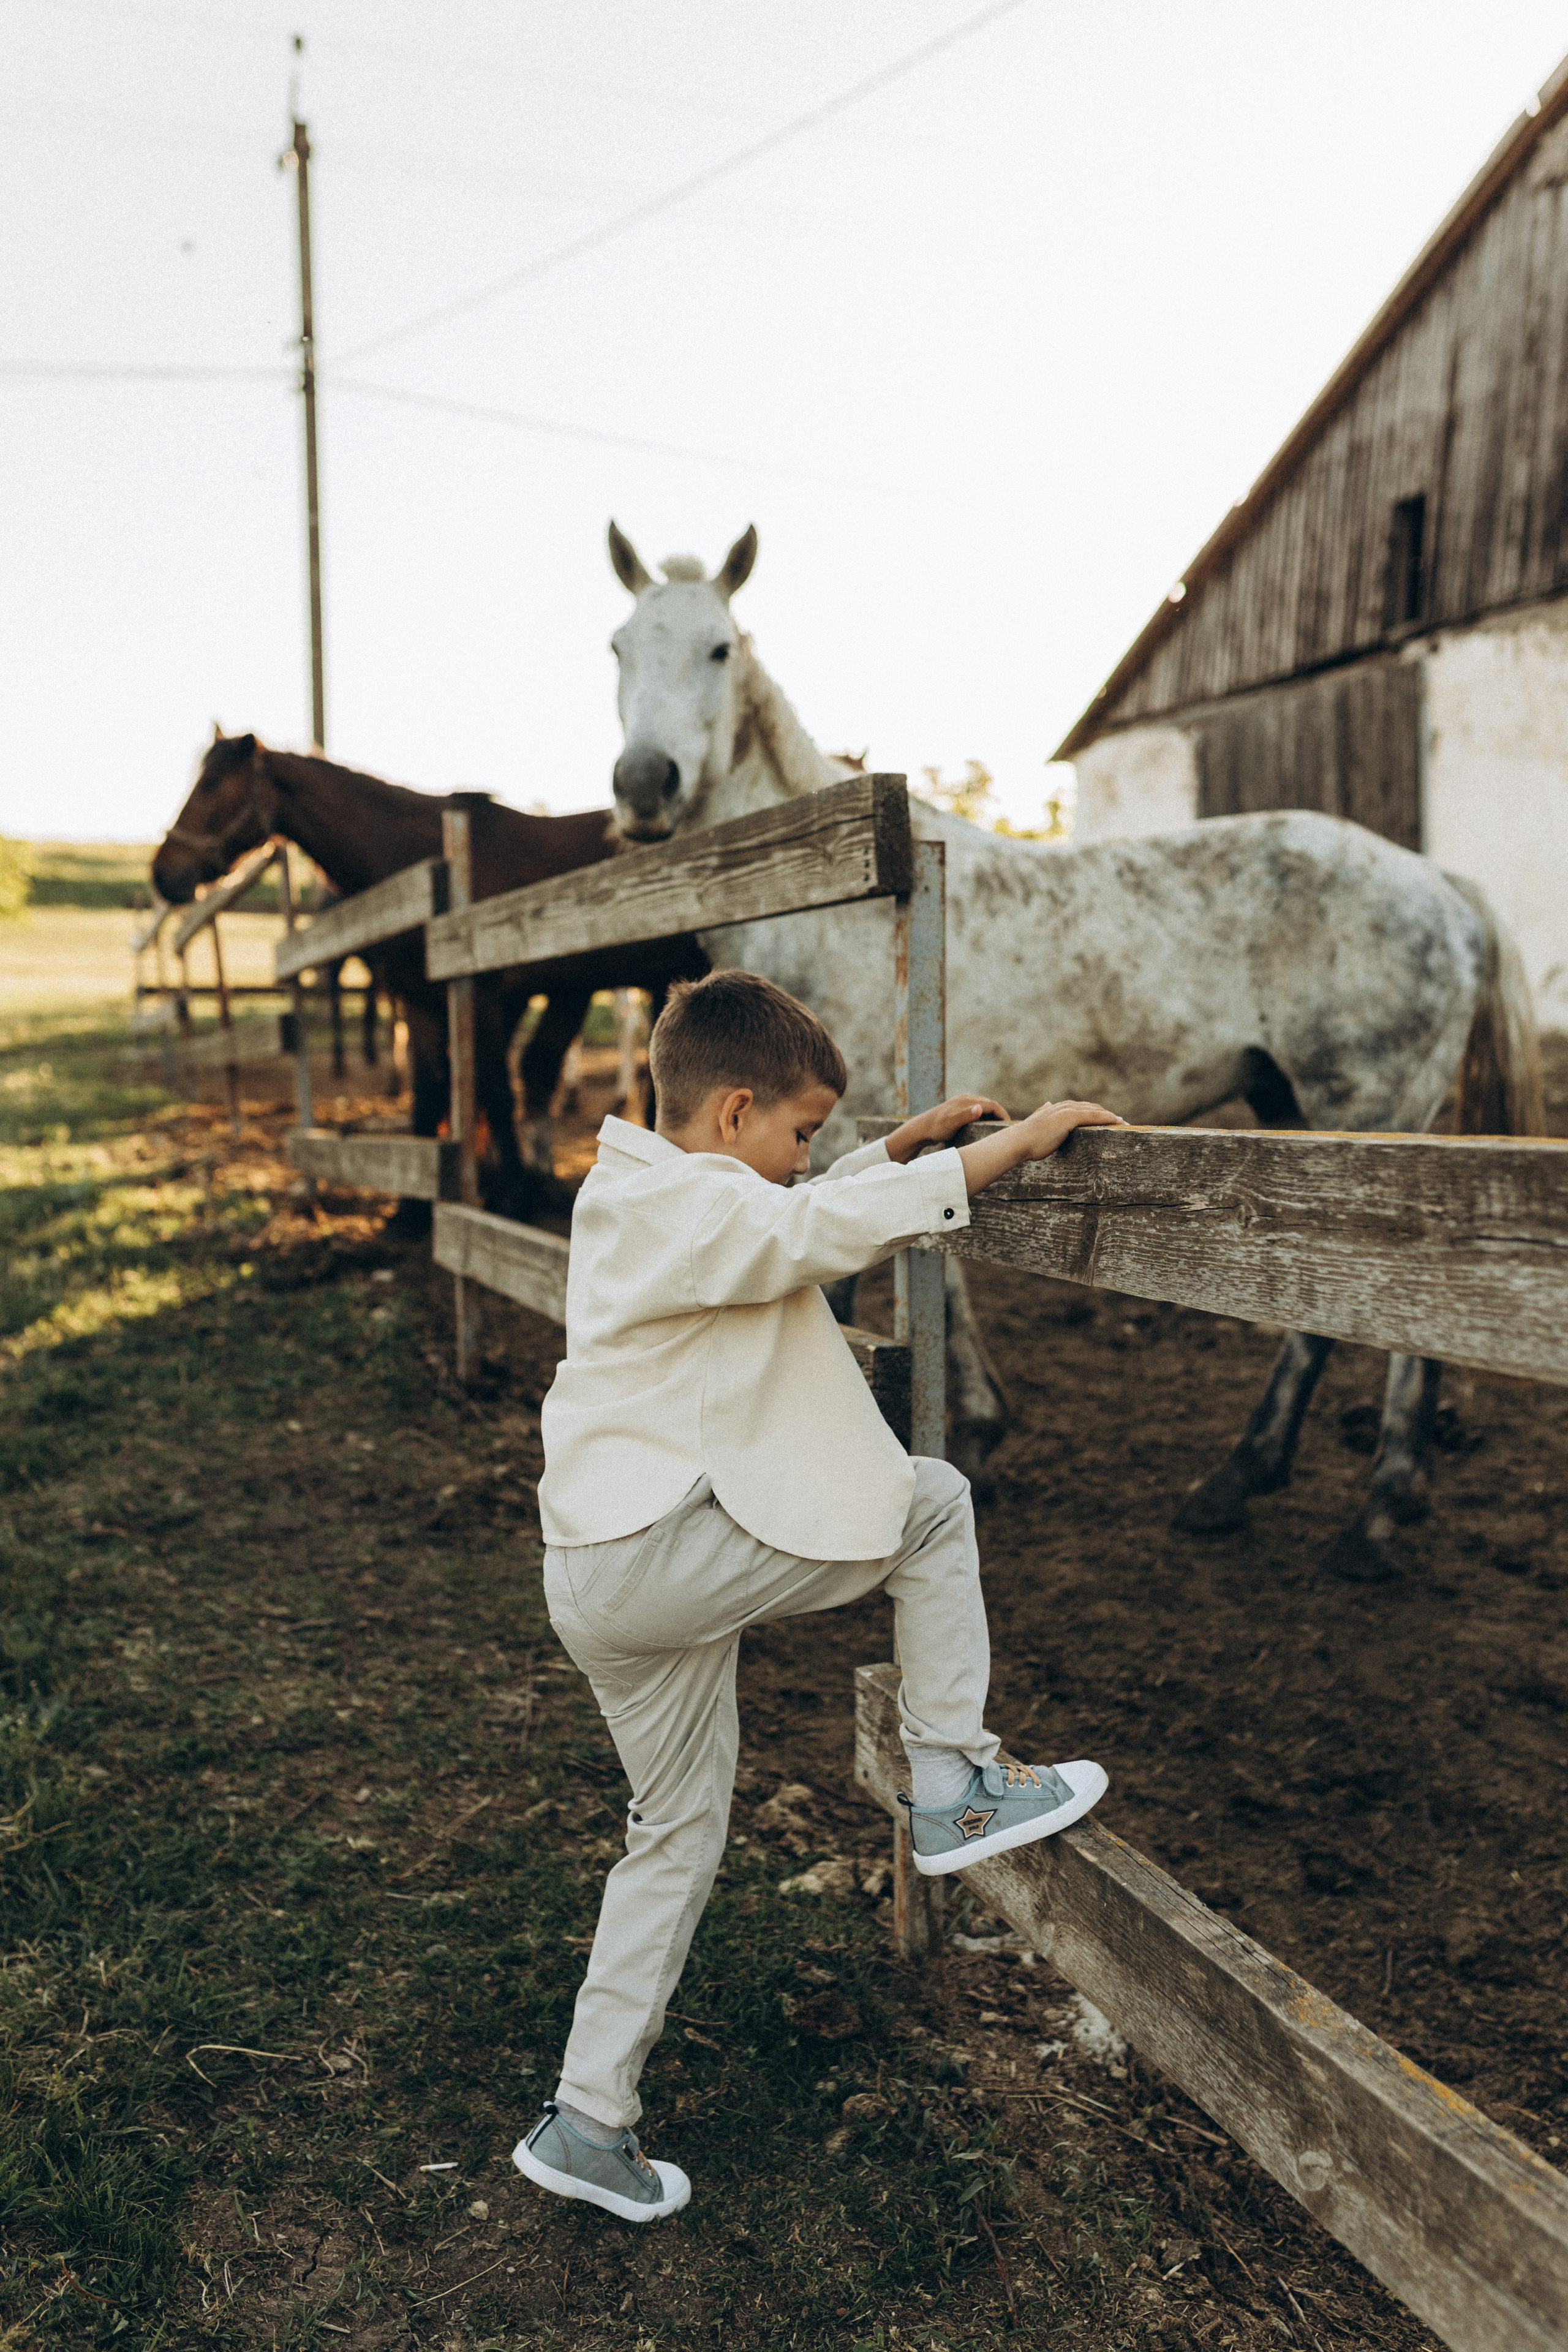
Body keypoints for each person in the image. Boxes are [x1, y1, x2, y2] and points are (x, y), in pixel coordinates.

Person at [514, 971, 1124, 2223]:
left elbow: (773, 1221)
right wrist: (1011, 1147)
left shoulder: (646, 1190)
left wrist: (884, 1151)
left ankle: (587, 2122)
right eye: (796, 1134)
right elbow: (795, 1235)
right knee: (932, 1505)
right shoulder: (696, 1208)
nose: (805, 1159)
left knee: (672, 1836)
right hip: (653, 1558)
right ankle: (952, 1781)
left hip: (599, 1573)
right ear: (734, 1109)